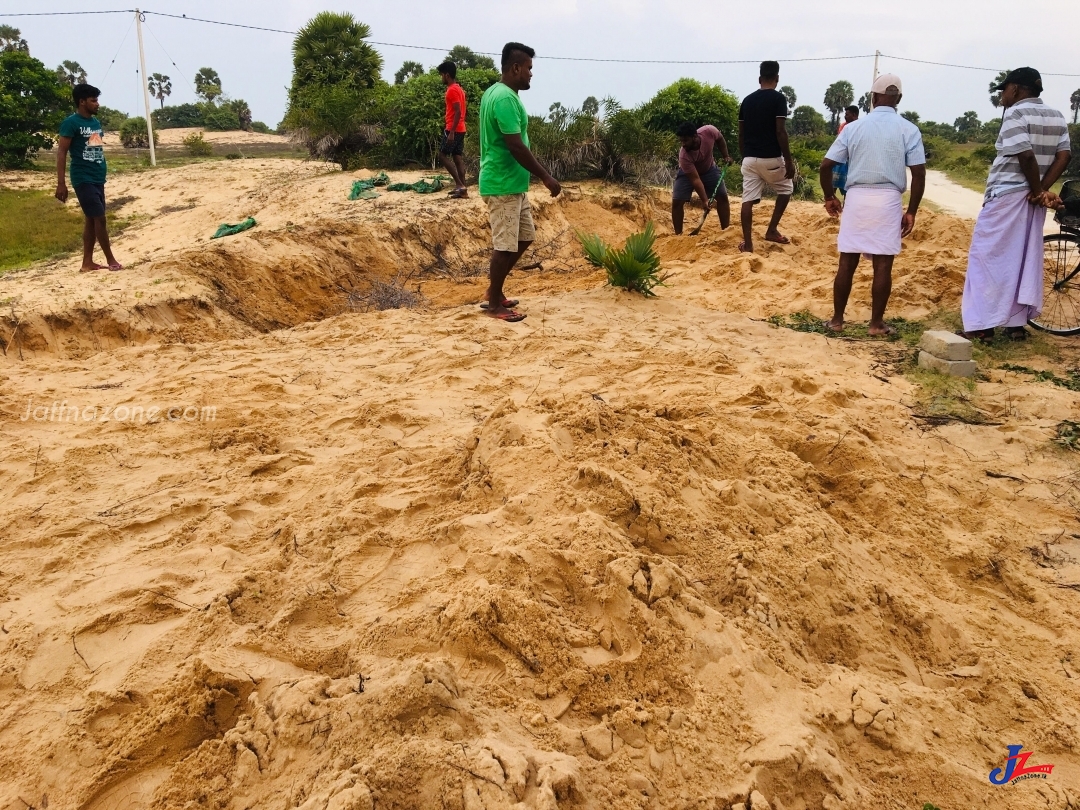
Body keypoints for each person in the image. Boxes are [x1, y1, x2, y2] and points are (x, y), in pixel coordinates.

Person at [960, 67, 1071, 342]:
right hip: (1033, 200)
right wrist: (1043, 191)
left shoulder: (1016, 114)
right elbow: (1064, 155)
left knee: (986, 258)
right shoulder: (1057, 116)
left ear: (1017, 89)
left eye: (1004, 89)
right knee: (1022, 260)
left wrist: (1037, 189)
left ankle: (981, 325)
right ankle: (1015, 325)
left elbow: (1026, 156)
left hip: (1008, 196)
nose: (1002, 94)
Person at [819, 74, 926, 336]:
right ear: (898, 98)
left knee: (847, 262)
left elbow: (826, 165)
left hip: (856, 198)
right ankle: (876, 324)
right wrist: (911, 210)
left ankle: (836, 320)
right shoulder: (908, 129)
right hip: (888, 199)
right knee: (883, 264)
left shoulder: (854, 127)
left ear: (873, 97)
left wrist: (828, 196)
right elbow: (919, 173)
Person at [478, 42, 561, 322]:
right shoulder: (503, 98)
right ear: (515, 68)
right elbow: (515, 145)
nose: (530, 74)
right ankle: (494, 307)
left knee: (525, 237)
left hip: (513, 183)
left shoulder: (499, 93)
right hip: (502, 183)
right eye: (528, 68)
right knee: (504, 246)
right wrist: (545, 176)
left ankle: (494, 292)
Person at [55, 83, 121, 272]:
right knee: (100, 218)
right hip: (82, 178)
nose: (97, 104)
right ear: (82, 102)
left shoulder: (95, 123)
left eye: (97, 100)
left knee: (91, 220)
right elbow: (61, 152)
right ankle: (111, 260)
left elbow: (95, 150)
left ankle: (87, 263)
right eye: (93, 100)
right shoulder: (71, 123)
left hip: (98, 177)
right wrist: (61, 184)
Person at [738, 60, 795, 252]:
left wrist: (744, 155)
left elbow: (741, 133)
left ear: (759, 78)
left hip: (749, 159)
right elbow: (780, 131)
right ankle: (771, 230)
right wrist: (788, 159)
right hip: (770, 158)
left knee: (747, 201)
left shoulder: (746, 100)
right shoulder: (778, 99)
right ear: (777, 79)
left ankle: (748, 245)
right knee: (786, 189)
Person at [672, 122, 733, 234]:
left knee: (722, 197)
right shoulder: (684, 155)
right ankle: (678, 235)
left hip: (709, 169)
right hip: (688, 174)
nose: (683, 144)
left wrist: (726, 156)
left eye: (685, 140)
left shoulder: (709, 131)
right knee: (677, 201)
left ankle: (726, 231)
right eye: (681, 141)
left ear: (695, 137)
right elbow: (695, 179)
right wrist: (705, 200)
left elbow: (720, 139)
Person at [438, 61, 469, 199]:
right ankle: (463, 189)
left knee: (442, 155)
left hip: (453, 128)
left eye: (442, 75)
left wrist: (451, 132)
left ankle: (459, 184)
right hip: (461, 128)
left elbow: (457, 112)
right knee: (457, 157)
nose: (441, 78)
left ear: (447, 75)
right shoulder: (459, 89)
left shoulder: (452, 90)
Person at [833, 105, 860, 197]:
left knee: (849, 185)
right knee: (834, 180)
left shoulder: (860, 126)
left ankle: (846, 203)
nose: (845, 116)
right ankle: (831, 198)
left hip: (853, 160)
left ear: (854, 114)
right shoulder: (843, 126)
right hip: (842, 158)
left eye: (847, 114)